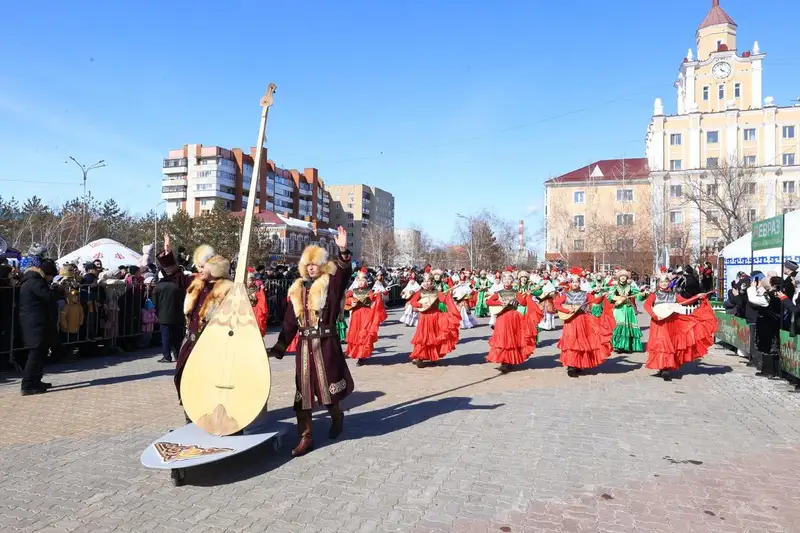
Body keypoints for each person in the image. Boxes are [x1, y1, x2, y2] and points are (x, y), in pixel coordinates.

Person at [268, 227, 353, 457]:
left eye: (315, 263)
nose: (312, 267)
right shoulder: (296, 289)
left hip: (325, 345)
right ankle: (306, 437)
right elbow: (289, 322)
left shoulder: (331, 284)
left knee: (327, 392)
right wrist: (281, 344)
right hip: (304, 347)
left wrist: (343, 249)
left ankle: (337, 416)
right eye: (308, 264)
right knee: (302, 394)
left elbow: (344, 273)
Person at [156, 237, 233, 412]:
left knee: (208, 383)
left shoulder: (228, 289)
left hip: (213, 347)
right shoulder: (195, 283)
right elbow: (175, 275)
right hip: (191, 343)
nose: (198, 270)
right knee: (184, 378)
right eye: (198, 266)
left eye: (202, 266)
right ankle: (190, 415)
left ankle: (209, 415)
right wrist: (168, 254)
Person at [643, 275, 717, 381]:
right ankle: (663, 367)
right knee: (662, 343)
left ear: (669, 283)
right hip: (659, 322)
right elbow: (646, 305)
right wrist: (655, 315)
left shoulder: (674, 295)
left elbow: (685, 301)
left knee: (671, 343)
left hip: (673, 321)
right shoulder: (654, 295)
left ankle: (666, 368)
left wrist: (697, 296)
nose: (664, 284)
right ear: (658, 284)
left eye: (666, 281)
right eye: (662, 282)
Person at [553, 276, 615, 378]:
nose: (575, 284)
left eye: (577, 282)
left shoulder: (585, 294)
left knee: (581, 343)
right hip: (571, 321)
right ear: (570, 284)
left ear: (580, 283)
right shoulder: (565, 295)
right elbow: (557, 304)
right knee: (571, 343)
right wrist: (567, 311)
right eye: (573, 282)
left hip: (583, 320)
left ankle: (579, 364)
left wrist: (603, 296)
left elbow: (596, 301)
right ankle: (571, 366)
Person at [485, 269, 543, 373]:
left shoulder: (516, 292)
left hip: (513, 318)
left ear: (512, 282)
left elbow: (524, 303)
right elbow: (489, 301)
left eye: (509, 279)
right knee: (503, 339)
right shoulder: (498, 293)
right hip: (502, 318)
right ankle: (504, 361)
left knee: (512, 339)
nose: (507, 281)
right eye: (505, 279)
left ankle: (509, 362)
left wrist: (527, 295)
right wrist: (499, 303)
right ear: (502, 281)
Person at [18, 254, 59, 395]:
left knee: (41, 353)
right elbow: (49, 297)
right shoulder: (35, 282)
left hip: (37, 322)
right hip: (35, 323)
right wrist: (57, 290)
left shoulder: (32, 281)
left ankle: (36, 380)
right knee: (35, 354)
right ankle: (27, 384)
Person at [407, 270, 461, 367]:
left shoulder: (437, 292)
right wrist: (421, 304)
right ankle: (419, 357)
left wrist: (449, 297)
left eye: (429, 281)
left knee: (434, 337)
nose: (428, 283)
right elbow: (412, 302)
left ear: (432, 282)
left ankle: (434, 356)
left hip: (435, 316)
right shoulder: (420, 292)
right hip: (424, 317)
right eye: (425, 281)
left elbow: (444, 300)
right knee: (423, 337)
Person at [344, 268, 387, 365]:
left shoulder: (369, 291)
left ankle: (362, 355)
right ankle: (355, 352)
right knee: (356, 334)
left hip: (366, 314)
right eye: (359, 280)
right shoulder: (353, 291)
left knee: (364, 334)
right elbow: (345, 298)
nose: (361, 282)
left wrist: (378, 296)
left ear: (366, 281)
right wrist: (351, 302)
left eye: (363, 280)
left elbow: (375, 298)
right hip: (356, 314)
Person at [606, 270, 647, 354]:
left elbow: (639, 296)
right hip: (619, 309)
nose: (623, 277)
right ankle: (618, 346)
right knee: (619, 325)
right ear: (619, 278)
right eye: (621, 276)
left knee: (628, 326)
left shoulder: (631, 287)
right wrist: (619, 298)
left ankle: (628, 346)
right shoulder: (615, 287)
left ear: (627, 278)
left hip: (628, 309)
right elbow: (610, 297)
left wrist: (643, 294)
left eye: (625, 276)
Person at [152, 268, 185, 363]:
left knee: (165, 337)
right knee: (177, 336)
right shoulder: (177, 286)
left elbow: (154, 303)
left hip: (163, 316)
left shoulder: (158, 287)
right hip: (178, 315)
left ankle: (167, 356)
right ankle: (178, 355)